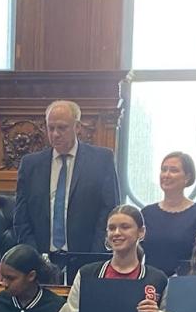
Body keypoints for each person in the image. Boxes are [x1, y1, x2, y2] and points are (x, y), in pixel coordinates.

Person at [12, 100, 120, 268]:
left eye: (62, 128)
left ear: (77, 127)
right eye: (51, 128)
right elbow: (21, 217)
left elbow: (109, 211)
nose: (55, 134)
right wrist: (33, 255)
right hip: (40, 259)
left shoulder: (101, 160)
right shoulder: (31, 165)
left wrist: (93, 257)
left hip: (87, 259)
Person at [139, 151, 196, 276]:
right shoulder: (146, 213)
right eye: (164, 169)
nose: (166, 175)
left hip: (185, 284)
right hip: (150, 284)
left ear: (187, 177)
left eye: (173, 170)